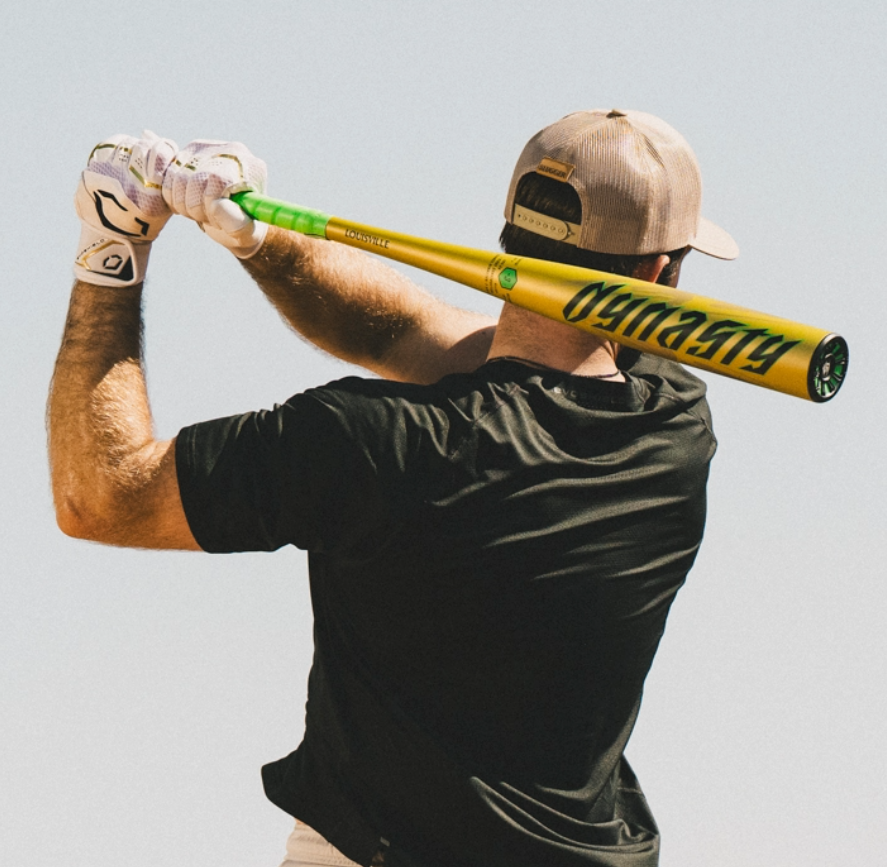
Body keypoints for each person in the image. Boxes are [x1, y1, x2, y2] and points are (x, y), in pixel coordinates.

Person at [48, 110, 738, 867]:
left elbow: (101, 495)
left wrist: (112, 251)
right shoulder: (673, 422)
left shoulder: (368, 445)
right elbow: (408, 332)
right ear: (658, 275)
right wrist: (257, 238)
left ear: (509, 237)